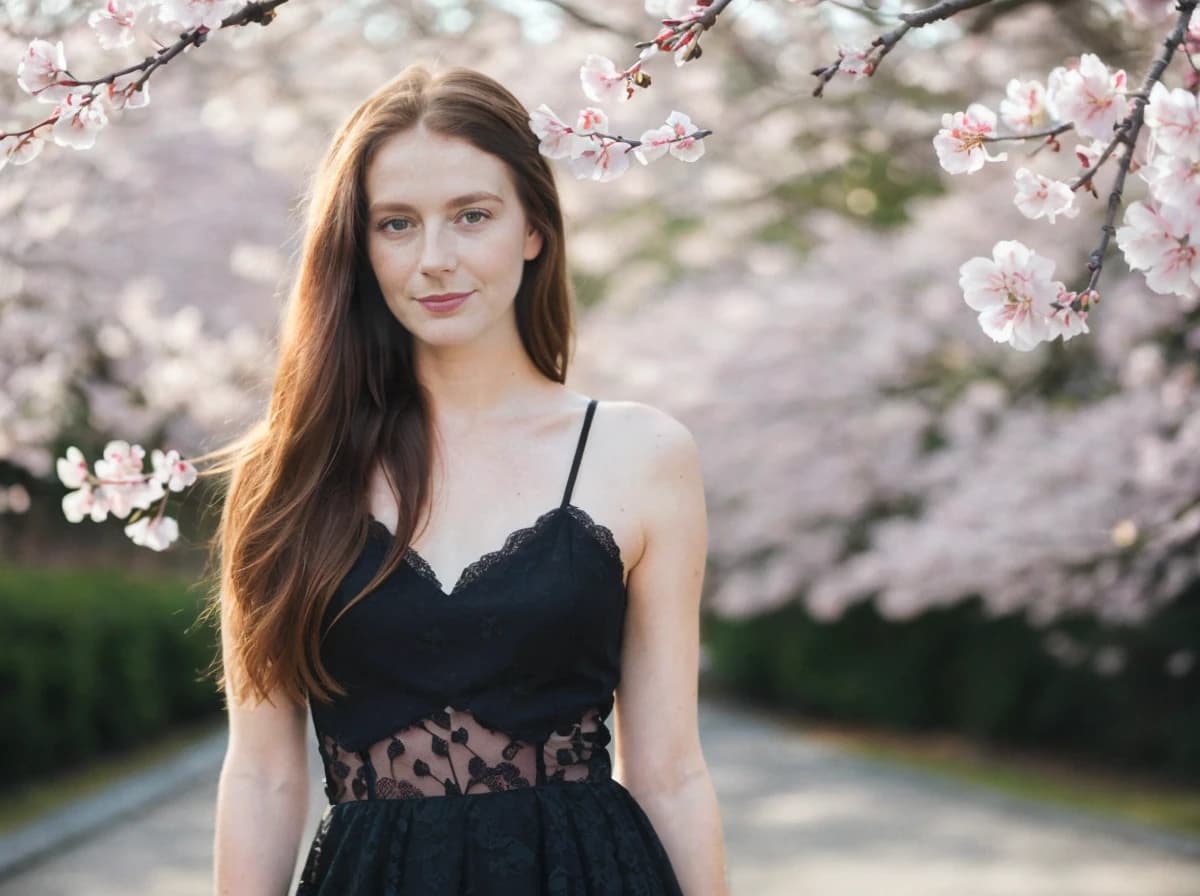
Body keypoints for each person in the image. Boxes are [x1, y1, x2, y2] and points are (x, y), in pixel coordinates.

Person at [202, 61, 728, 895]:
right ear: (359, 245)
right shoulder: (287, 472)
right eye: (397, 224)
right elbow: (262, 776)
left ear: (533, 229)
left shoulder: (641, 454)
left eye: (472, 216)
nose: (435, 259)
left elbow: (667, 769)